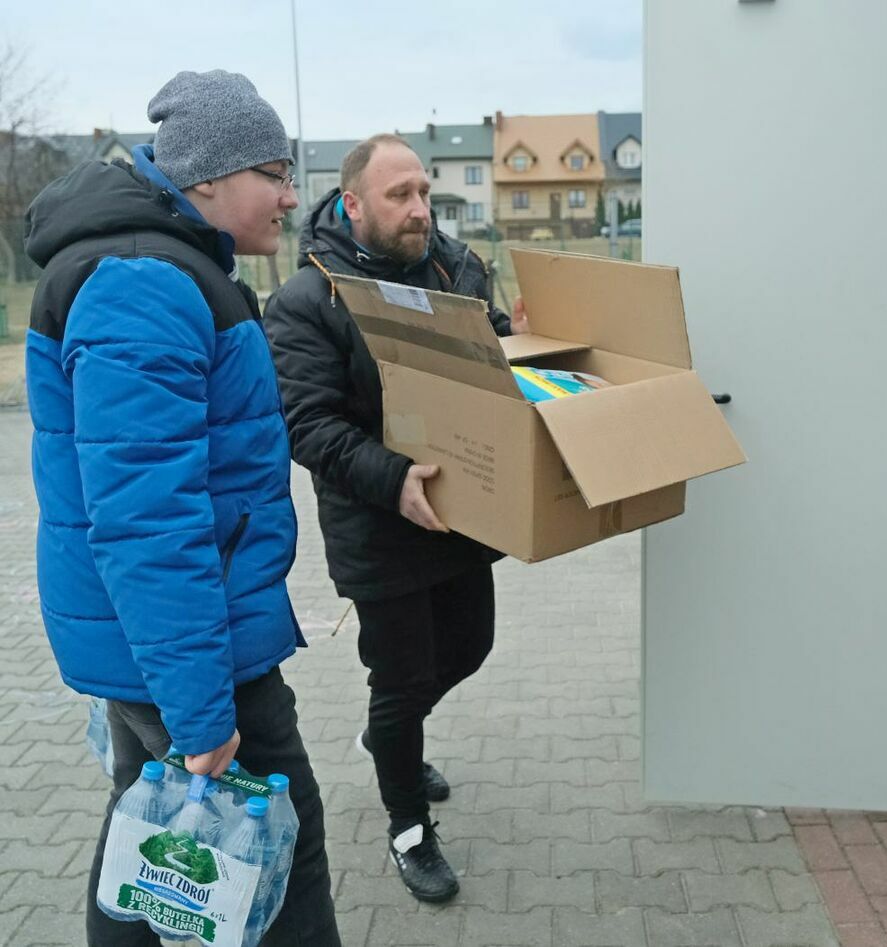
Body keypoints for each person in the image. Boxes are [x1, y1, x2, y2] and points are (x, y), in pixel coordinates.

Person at [23, 70, 340, 945]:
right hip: (197, 654)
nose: (289, 194)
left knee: (146, 830)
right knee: (281, 848)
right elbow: (146, 522)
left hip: (163, 645)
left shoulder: (167, 266)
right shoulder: (143, 283)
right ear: (207, 177)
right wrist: (203, 713)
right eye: (272, 172)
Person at [264, 133, 527, 902]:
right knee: (403, 677)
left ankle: (389, 742)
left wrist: (520, 341)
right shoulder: (309, 298)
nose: (420, 210)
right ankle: (408, 825)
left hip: (460, 515)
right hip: (380, 524)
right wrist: (394, 477)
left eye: (423, 192)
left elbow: (490, 365)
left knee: (471, 647)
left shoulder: (459, 269)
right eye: (399, 196)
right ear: (351, 204)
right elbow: (307, 424)